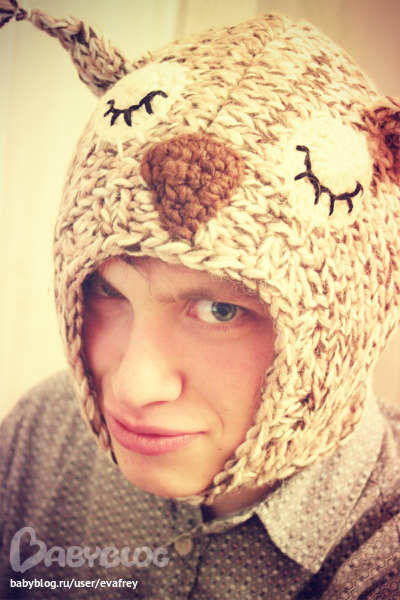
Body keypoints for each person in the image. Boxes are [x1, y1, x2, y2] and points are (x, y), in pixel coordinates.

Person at [1, 2, 399, 598]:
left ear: (340, 329)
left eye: (220, 310)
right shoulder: (41, 435)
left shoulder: (381, 556)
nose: (132, 387)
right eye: (108, 290)